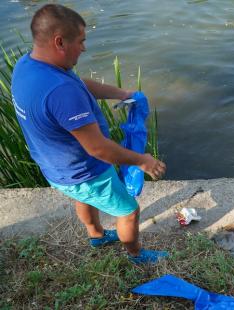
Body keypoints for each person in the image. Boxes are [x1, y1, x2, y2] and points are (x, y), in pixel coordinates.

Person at [11, 4, 167, 264]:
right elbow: (99, 149)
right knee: (129, 211)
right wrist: (143, 161)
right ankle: (136, 255)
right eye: (81, 41)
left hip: (58, 170)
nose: (84, 48)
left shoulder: (27, 66)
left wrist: (122, 94)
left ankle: (96, 235)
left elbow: (78, 84)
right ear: (59, 42)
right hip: (85, 170)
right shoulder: (61, 92)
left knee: (83, 197)